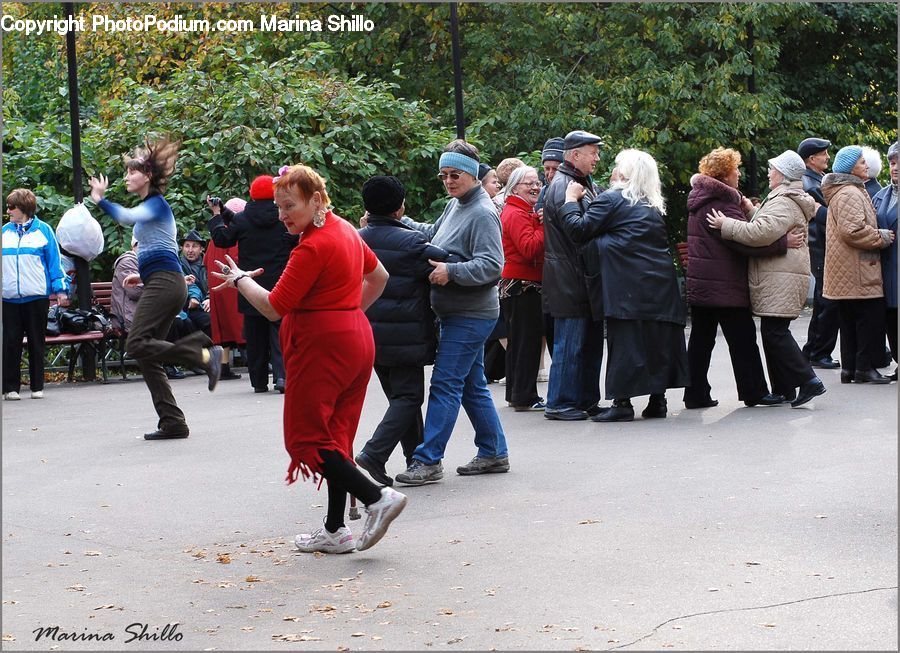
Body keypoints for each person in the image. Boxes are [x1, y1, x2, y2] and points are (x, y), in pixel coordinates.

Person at [211, 163, 403, 554]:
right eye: (279, 207)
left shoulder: (314, 245)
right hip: (354, 338)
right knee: (336, 437)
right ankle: (335, 529)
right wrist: (348, 314)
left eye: (289, 206)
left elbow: (273, 308)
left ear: (315, 199)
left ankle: (377, 497)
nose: (282, 215)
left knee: (308, 439)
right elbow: (379, 276)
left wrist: (240, 280)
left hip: (322, 345)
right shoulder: (345, 228)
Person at [89, 137, 223, 441]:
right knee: (148, 356)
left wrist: (100, 199)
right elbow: (155, 248)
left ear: (147, 176)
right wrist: (142, 275)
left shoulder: (156, 204)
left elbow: (125, 217)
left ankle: (204, 355)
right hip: (161, 280)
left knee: (136, 344)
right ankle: (173, 421)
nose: (126, 177)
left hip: (166, 282)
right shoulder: (150, 207)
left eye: (131, 173)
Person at [394, 139, 508, 486]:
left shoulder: (483, 212)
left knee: (444, 384)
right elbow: (434, 235)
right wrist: (401, 222)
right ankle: (493, 452)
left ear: (472, 175)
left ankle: (428, 461)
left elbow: (493, 266)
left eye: (454, 175)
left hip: (470, 314)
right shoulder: (455, 205)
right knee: (471, 386)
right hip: (457, 312)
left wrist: (451, 272)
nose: (448, 181)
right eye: (443, 175)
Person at [561, 149, 688, 421]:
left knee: (625, 343)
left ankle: (622, 404)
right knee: (657, 341)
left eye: (618, 166)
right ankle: (658, 401)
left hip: (626, 285)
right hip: (659, 284)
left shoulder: (613, 198)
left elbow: (578, 229)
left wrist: (571, 201)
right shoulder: (651, 203)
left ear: (625, 173)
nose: (612, 171)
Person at [707, 150, 826, 407]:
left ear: (782, 175)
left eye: (772, 169)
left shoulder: (783, 201)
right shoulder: (784, 198)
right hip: (779, 275)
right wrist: (752, 210)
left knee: (775, 333)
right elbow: (770, 225)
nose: (768, 172)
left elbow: (761, 233)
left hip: (779, 277)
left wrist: (726, 225)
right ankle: (785, 388)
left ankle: (809, 381)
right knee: (774, 331)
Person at [683, 147, 798, 409]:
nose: (739, 174)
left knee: (701, 341)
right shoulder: (722, 203)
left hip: (702, 283)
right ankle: (755, 391)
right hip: (725, 284)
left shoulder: (699, 198)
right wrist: (783, 243)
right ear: (724, 175)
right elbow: (745, 241)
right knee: (743, 340)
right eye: (735, 169)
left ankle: (695, 393)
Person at [355, 175, 451, 486]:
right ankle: (374, 453)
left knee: (401, 397)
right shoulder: (412, 242)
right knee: (408, 397)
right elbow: (444, 260)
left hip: (367, 333)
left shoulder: (355, 240)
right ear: (400, 208)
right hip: (406, 334)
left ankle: (415, 459)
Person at [208, 175, 296, 394]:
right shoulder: (284, 217)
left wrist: (218, 215)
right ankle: (282, 377)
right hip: (279, 283)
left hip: (250, 285)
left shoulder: (243, 220)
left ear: (252, 194)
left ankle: (258, 382)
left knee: (255, 335)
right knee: (279, 332)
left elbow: (223, 238)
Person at [541, 130, 604, 421]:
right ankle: (560, 402)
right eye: (593, 152)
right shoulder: (565, 186)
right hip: (570, 278)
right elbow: (580, 229)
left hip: (579, 276)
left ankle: (586, 399)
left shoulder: (578, 182)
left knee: (587, 342)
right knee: (570, 343)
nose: (597, 158)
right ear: (575, 154)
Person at [822, 146, 895, 384]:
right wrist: (882, 237)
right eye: (862, 162)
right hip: (858, 268)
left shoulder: (845, 191)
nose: (867, 165)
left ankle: (850, 369)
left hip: (849, 268)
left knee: (850, 319)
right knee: (869, 318)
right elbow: (853, 231)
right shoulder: (850, 192)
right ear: (850, 167)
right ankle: (864, 368)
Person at [2, 188, 70, 401]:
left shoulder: (44, 230)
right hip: (9, 297)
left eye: (11, 207)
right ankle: (10, 388)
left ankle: (37, 386)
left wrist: (60, 290)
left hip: (37, 296)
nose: (8, 210)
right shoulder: (4, 231)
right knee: (10, 342)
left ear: (23, 207)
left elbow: (54, 263)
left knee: (36, 342)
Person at [499, 165, 545, 411]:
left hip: (518, 285)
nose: (535, 186)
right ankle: (525, 396)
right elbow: (529, 248)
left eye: (537, 182)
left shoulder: (522, 211)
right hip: (523, 285)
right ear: (515, 187)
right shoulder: (516, 213)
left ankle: (516, 393)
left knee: (519, 342)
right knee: (526, 343)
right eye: (529, 183)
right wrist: (543, 225)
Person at [799, 137, 841, 369]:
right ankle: (820, 352)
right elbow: (831, 214)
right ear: (812, 159)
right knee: (829, 303)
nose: (827, 157)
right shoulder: (812, 184)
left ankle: (812, 350)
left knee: (823, 302)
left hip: (819, 247)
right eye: (823, 154)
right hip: (822, 248)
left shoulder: (814, 179)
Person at [203, 198, 245, 382]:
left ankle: (223, 366)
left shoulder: (215, 236)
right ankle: (258, 361)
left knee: (222, 328)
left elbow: (205, 262)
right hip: (233, 287)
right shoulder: (234, 236)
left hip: (216, 287)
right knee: (243, 324)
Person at [873, 142, 898, 376]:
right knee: (891, 315)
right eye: (892, 163)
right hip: (885, 266)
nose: (895, 168)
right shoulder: (880, 196)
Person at [179, 229, 212, 339]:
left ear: (201, 248)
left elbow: (215, 283)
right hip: (187, 306)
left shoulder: (208, 263)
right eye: (187, 246)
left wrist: (209, 298)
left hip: (207, 305)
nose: (190, 250)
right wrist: (193, 298)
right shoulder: (178, 265)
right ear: (182, 248)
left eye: (194, 246)